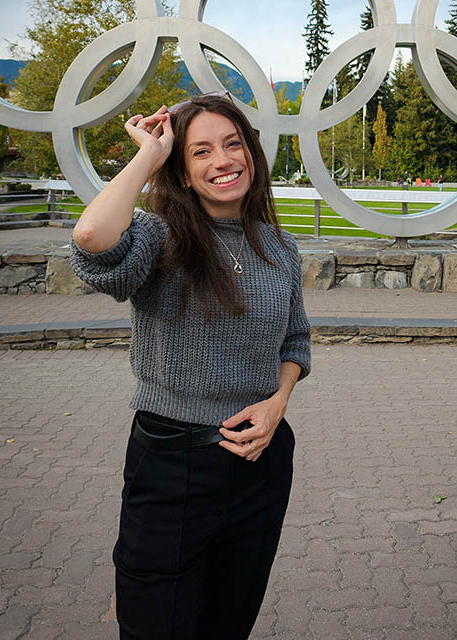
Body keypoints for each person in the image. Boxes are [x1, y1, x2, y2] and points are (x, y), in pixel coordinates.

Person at [70, 93, 311, 640]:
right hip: (170, 466)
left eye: (232, 144)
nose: (222, 161)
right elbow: (90, 241)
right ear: (181, 170)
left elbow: (295, 341)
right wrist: (148, 157)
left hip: (260, 465)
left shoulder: (281, 246)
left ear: (251, 151)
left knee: (228, 625)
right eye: (200, 151)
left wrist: (278, 404)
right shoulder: (159, 238)